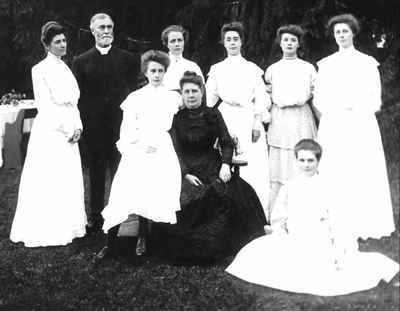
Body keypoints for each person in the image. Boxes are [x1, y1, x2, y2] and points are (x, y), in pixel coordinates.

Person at [226, 139, 399, 296]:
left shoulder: (327, 186)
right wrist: (280, 235)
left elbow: (339, 223)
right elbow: (279, 218)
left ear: (318, 161)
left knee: (324, 270)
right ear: (296, 161)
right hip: (295, 236)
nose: (306, 165)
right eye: (302, 160)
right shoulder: (289, 187)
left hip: (320, 237)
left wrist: (341, 247)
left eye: (311, 160)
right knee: (255, 254)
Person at [149, 71, 267, 264]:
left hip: (213, 165)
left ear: (202, 93)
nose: (191, 95)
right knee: (189, 200)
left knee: (236, 193)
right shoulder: (177, 118)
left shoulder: (213, 114)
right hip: (187, 170)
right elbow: (174, 149)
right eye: (186, 91)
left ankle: (232, 246)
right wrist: (185, 173)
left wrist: (226, 165)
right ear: (182, 94)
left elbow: (226, 142)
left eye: (194, 91)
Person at [313, 13, 395, 242]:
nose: (341, 35)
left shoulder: (367, 63)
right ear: (334, 35)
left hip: (360, 122)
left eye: (345, 31)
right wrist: (335, 109)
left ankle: (364, 222)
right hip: (334, 123)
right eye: (337, 32)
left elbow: (375, 97)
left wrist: (354, 107)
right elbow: (319, 97)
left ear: (353, 33)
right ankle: (336, 221)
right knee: (336, 169)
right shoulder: (326, 64)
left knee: (361, 168)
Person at [96, 50, 182, 260]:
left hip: (162, 149)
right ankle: (110, 242)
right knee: (122, 194)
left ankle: (144, 237)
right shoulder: (135, 98)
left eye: (161, 71)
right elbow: (126, 131)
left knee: (152, 193)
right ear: (145, 71)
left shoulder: (173, 97)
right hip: (138, 148)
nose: (157, 75)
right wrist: (141, 146)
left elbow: (178, 124)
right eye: (153, 70)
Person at [10, 21, 86, 247]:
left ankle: (70, 225)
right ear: (47, 45)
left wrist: (78, 126)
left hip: (70, 128)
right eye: (57, 42)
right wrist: (67, 129)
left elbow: (73, 102)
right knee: (49, 179)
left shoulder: (65, 67)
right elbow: (47, 106)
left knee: (67, 178)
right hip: (52, 132)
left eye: (64, 40)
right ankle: (48, 229)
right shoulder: (39, 69)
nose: (63, 45)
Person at [72, 13, 140, 235]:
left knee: (122, 172)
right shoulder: (81, 61)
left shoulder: (128, 58)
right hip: (94, 128)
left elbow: (133, 95)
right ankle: (95, 216)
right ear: (92, 30)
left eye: (110, 26)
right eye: (101, 27)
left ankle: (123, 215)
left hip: (122, 128)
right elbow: (78, 98)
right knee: (96, 172)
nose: (106, 30)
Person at [206, 21, 271, 216]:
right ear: (223, 43)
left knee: (253, 164)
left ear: (242, 42)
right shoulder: (217, 69)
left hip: (248, 117)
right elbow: (209, 99)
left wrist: (256, 122)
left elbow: (261, 97)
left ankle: (256, 212)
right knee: (224, 161)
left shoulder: (252, 68)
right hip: (225, 116)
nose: (232, 43)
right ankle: (225, 212)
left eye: (236, 39)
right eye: (228, 39)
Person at [264, 25, 317, 208]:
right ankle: (277, 212)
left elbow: (315, 96)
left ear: (298, 44)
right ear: (280, 43)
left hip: (301, 118)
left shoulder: (308, 68)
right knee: (279, 167)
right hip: (280, 120)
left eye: (293, 40)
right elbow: (267, 99)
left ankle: (305, 207)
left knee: (302, 158)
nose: (289, 43)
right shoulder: (272, 70)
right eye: (286, 39)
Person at [161, 25, 204, 91]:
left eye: (180, 40)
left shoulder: (192, 66)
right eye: (173, 41)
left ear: (184, 42)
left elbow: (201, 91)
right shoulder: (161, 66)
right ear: (167, 44)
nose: (177, 44)